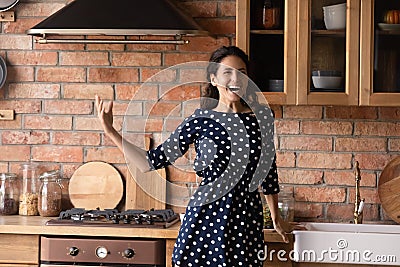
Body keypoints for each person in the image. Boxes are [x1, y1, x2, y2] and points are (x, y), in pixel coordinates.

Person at [96, 46, 294, 267]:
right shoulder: (200, 120)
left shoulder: (262, 119)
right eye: (227, 72)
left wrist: (276, 218)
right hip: (204, 218)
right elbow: (148, 162)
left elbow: (268, 172)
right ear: (214, 79)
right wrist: (110, 131)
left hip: (245, 220)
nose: (235, 78)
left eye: (242, 72)